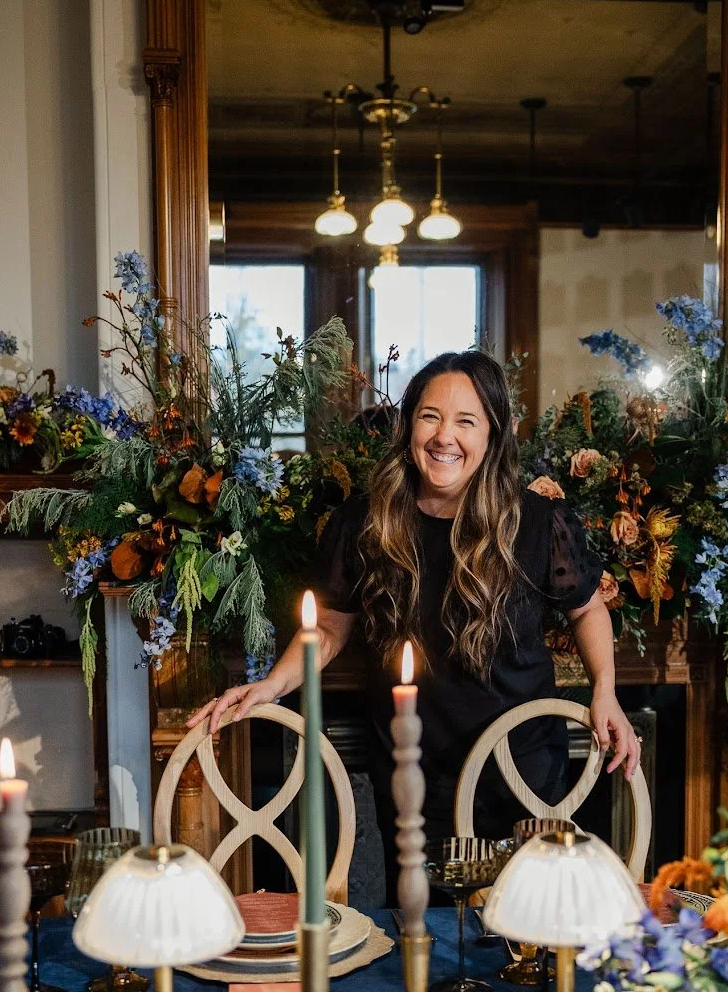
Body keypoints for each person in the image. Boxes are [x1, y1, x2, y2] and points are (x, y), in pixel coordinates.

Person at [188, 349, 640, 901]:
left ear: (493, 436)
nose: (444, 436)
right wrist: (273, 685)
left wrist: (607, 691)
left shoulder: (538, 521)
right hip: (411, 770)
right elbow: (327, 625)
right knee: (428, 930)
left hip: (522, 770)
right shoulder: (368, 520)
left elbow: (587, 606)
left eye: (466, 421)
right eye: (430, 416)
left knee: (525, 933)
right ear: (408, 427)